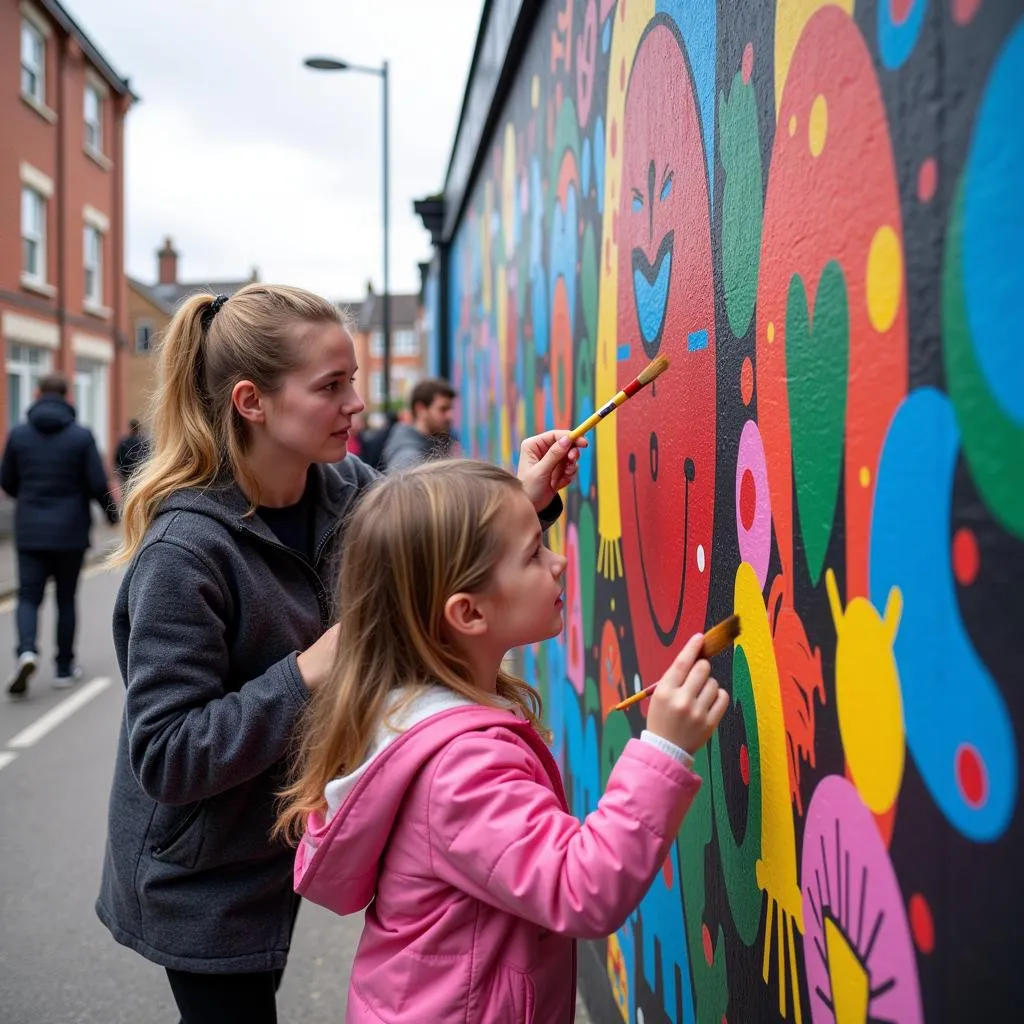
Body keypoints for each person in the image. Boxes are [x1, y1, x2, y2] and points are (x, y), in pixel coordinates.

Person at [94, 284, 583, 1024]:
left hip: (288, 831)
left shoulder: (345, 487)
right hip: (201, 873)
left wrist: (524, 498)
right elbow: (166, 755)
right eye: (332, 386)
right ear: (253, 401)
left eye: (352, 378)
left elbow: (430, 563)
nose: (357, 403)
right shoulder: (182, 554)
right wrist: (308, 670)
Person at [277, 460, 729, 1024]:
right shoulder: (460, 767)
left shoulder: (416, 711)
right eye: (535, 553)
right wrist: (664, 750)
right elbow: (581, 887)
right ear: (468, 613)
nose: (560, 562)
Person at [1, 372, 118, 695]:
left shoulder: (19, 435)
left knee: (28, 596)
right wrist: (112, 515)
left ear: (37, 394)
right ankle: (64, 668)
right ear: (68, 397)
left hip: (30, 531)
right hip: (70, 532)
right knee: (66, 599)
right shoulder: (81, 437)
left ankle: (27, 650)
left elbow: (7, 480)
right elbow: (98, 483)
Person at [381, 376, 456, 470]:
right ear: (420, 409)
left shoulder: (434, 442)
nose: (450, 416)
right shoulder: (408, 458)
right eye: (443, 409)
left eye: (450, 409)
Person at [114, 418, 150, 488]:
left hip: (125, 473)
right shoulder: (143, 442)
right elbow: (147, 457)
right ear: (138, 428)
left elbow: (117, 458)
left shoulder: (124, 441)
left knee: (126, 492)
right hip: (139, 473)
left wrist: (120, 471)